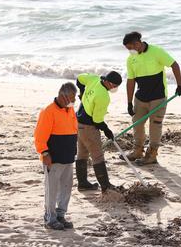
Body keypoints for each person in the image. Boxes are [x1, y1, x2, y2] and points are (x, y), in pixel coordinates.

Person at [122, 32, 181, 166]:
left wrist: (180, 85)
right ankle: (138, 151)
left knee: (155, 125)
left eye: (130, 48)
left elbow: (174, 65)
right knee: (137, 124)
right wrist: (128, 102)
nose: (129, 51)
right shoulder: (131, 59)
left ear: (137, 44)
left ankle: (152, 155)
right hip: (140, 98)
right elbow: (131, 81)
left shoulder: (157, 52)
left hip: (158, 97)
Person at [34, 83, 78, 230]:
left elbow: (73, 130)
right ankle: (50, 218)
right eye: (71, 98)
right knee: (51, 189)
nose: (73, 101)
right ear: (62, 96)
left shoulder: (70, 109)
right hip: (53, 158)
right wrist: (44, 153)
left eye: (74, 98)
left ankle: (60, 215)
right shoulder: (48, 111)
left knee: (66, 188)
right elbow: (39, 136)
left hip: (68, 157)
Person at [75, 71, 122, 191]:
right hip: (89, 127)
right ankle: (106, 186)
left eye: (117, 86)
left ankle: (82, 183)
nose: (114, 88)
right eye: (114, 86)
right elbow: (97, 120)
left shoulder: (94, 79)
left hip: (78, 122)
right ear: (107, 81)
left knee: (82, 153)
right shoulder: (103, 96)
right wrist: (106, 130)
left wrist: (82, 93)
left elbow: (79, 79)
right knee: (97, 156)